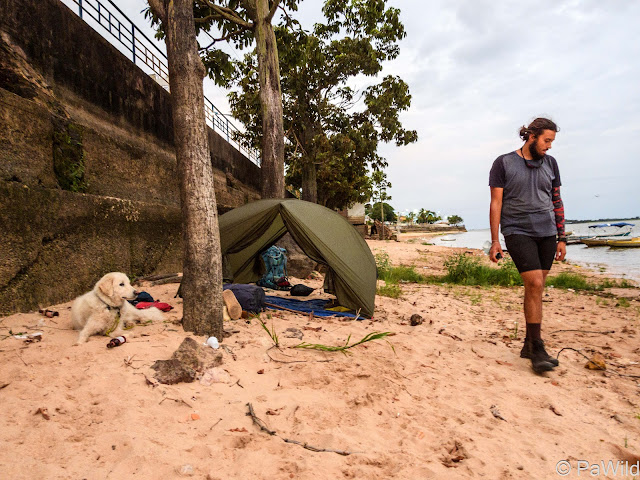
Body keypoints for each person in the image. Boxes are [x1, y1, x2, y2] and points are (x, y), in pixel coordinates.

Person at [488, 117, 567, 373]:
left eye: (552, 141)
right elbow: (496, 203)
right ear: (531, 137)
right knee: (533, 283)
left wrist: (562, 237)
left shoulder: (551, 164)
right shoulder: (504, 163)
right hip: (517, 230)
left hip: (547, 232)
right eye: (546, 140)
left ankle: (528, 344)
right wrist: (495, 240)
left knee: (538, 286)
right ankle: (538, 347)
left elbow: (556, 200)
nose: (550, 146)